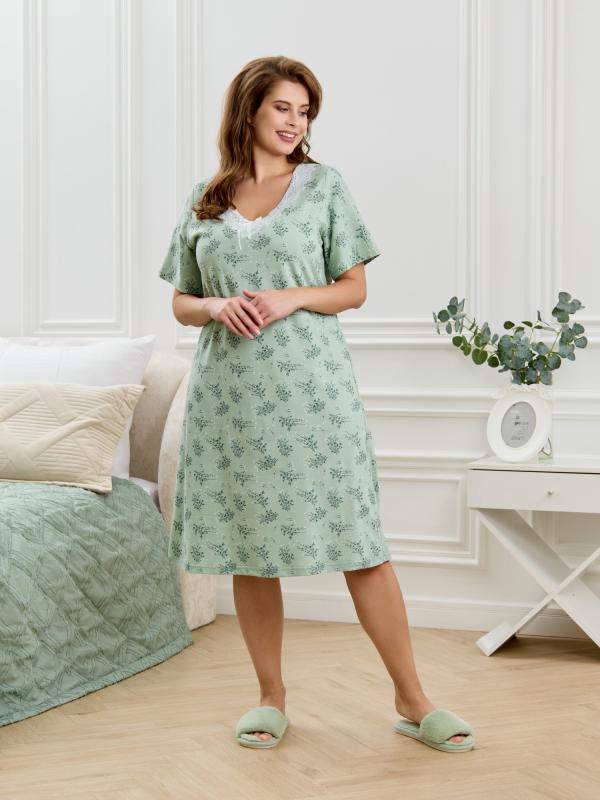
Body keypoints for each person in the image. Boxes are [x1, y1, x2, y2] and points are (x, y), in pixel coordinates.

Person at [158, 55, 475, 752]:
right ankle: (270, 696)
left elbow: (353, 288)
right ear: (248, 110)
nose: (295, 122)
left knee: (361, 544)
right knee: (251, 549)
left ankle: (413, 698)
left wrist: (290, 298)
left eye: (304, 111)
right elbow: (180, 299)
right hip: (232, 400)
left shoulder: (324, 186)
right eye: (283, 107)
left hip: (314, 394)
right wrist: (214, 307)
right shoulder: (206, 197)